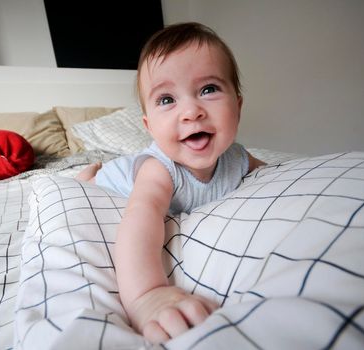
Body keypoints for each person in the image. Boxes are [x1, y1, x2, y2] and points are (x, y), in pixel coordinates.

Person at [76, 22, 266, 343]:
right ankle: (89, 172)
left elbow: (273, 174)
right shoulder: (160, 169)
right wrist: (147, 294)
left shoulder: (238, 158)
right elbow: (141, 218)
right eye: (167, 99)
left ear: (238, 105)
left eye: (209, 89)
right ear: (150, 127)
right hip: (118, 178)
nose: (191, 111)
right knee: (91, 181)